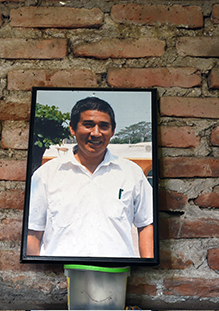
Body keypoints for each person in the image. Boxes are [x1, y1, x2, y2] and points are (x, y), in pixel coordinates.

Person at [26, 97, 154, 258]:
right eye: (88, 125)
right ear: (72, 128)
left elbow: (146, 224)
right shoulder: (47, 175)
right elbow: (33, 232)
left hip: (117, 275)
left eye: (104, 126)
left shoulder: (131, 173)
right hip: (60, 275)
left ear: (113, 130)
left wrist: (147, 268)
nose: (96, 133)